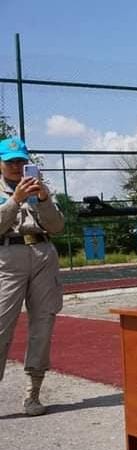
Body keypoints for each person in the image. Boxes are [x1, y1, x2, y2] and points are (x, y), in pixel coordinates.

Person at [0, 136, 65, 415]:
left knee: (43, 323)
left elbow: (57, 226)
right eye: (10, 161)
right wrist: (15, 200)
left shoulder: (41, 189)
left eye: (21, 161)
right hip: (7, 257)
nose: (17, 166)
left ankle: (33, 393)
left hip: (42, 253)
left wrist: (44, 199)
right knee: (1, 324)